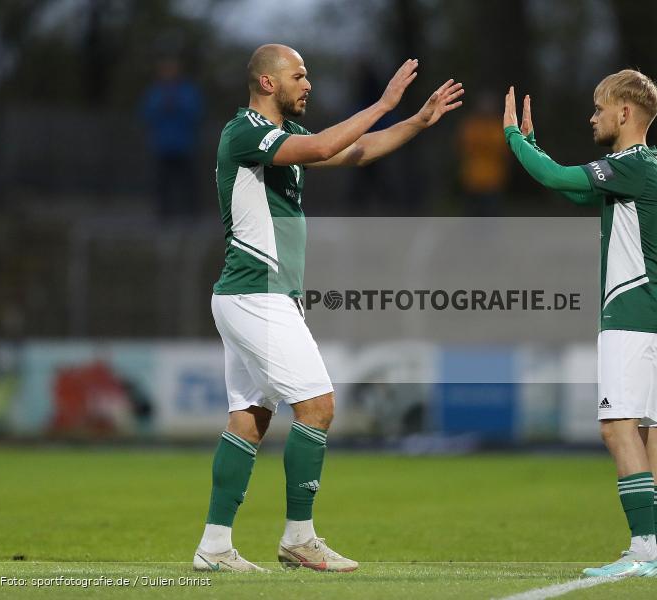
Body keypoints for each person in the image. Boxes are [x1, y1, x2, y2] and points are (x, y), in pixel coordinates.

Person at [193, 44, 463, 573]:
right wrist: (383, 101)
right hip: (256, 293)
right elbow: (321, 150)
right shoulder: (244, 131)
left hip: (252, 296)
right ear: (267, 83)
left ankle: (215, 546)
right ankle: (299, 538)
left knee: (249, 419)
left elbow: (354, 151)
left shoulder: (280, 137)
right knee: (317, 407)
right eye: (300, 75)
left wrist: (416, 121)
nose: (308, 83)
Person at [503, 70, 657, 578]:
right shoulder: (646, 168)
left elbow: (558, 177)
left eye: (599, 109)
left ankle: (643, 548)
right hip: (654, 312)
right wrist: (534, 145)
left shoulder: (631, 165)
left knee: (617, 426)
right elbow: (579, 192)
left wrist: (515, 139)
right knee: (651, 431)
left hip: (629, 314)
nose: (592, 117)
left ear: (625, 113)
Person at [141, 57, 203, 218]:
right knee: (162, 181)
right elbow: (146, 114)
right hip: (162, 145)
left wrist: (177, 106)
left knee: (188, 180)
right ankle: (164, 213)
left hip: (184, 144)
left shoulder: (188, 91)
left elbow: (197, 113)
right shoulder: (155, 92)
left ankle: (192, 213)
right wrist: (162, 107)